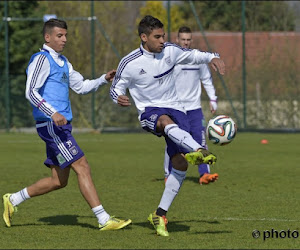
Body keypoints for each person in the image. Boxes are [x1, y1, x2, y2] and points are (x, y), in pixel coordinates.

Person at [2, 18, 131, 231]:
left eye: (66, 35)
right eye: (59, 36)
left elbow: (80, 86)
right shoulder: (41, 59)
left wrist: (102, 79)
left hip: (61, 126)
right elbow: (30, 92)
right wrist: (52, 113)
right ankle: (103, 219)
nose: (64, 39)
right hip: (51, 126)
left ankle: (13, 199)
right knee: (82, 166)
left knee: (58, 181)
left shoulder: (63, 62)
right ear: (48, 37)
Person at [110, 15, 225, 236]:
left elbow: (192, 55)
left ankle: (159, 214)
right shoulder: (129, 62)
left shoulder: (170, 51)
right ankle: (199, 150)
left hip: (177, 109)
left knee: (180, 164)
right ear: (144, 37)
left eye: (163, 35)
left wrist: (212, 57)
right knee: (164, 122)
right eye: (157, 36)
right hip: (150, 112)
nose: (163, 40)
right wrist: (118, 97)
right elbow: (116, 87)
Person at [163, 26, 219, 185]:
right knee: (175, 142)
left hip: (194, 108)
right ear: (177, 40)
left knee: (200, 140)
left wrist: (213, 99)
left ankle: (204, 175)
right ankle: (168, 174)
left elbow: (206, 79)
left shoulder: (198, 58)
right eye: (183, 40)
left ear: (191, 41)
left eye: (188, 40)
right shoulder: (170, 58)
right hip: (175, 108)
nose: (186, 43)